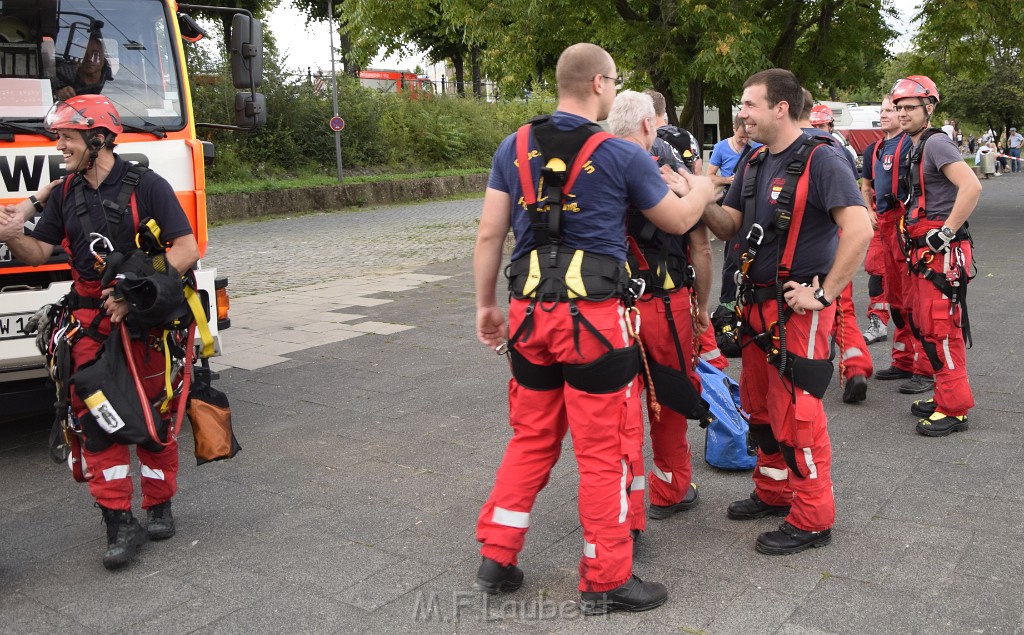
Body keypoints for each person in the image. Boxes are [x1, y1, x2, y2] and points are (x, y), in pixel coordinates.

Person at [471, 43, 717, 614]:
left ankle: (497, 556)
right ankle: (605, 578)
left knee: (531, 436)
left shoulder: (514, 145)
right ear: (602, 84)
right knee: (602, 450)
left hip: (529, 316)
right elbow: (680, 220)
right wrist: (702, 187)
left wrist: (486, 306)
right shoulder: (619, 152)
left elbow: (489, 235)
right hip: (596, 324)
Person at [1, 95, 199, 569]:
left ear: (98, 138)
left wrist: (135, 290)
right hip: (88, 326)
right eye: (59, 138)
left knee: (156, 415)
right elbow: (38, 252)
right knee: (97, 420)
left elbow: (186, 248)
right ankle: (118, 520)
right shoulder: (66, 193)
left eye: (67, 137)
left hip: (144, 325)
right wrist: (12, 234)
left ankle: (158, 504)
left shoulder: (147, 186)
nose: (59, 146)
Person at [689, 68, 871, 553]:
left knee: (799, 414)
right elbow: (729, 226)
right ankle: (773, 491)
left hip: (797, 313)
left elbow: (860, 229)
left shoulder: (822, 160)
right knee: (760, 408)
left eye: (749, 105)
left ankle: (813, 518)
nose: (741, 114)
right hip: (755, 307)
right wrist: (703, 199)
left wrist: (825, 294)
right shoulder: (751, 162)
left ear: (781, 108)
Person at [608, 90, 711, 532]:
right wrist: (703, 306)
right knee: (668, 394)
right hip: (661, 302)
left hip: (608, 306)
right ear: (650, 125)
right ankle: (670, 488)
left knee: (622, 405)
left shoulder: (591, 168)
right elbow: (697, 239)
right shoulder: (662, 171)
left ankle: (623, 510)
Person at [890, 75, 982, 436]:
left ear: (929, 107)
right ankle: (946, 393)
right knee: (926, 325)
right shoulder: (915, 145)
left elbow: (971, 186)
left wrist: (945, 233)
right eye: (899, 108)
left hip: (940, 253)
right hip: (924, 252)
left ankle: (955, 407)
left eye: (910, 107)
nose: (902, 113)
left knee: (941, 327)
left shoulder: (936, 144)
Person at [859, 95, 933, 393]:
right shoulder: (874, 149)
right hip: (884, 224)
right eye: (890, 110)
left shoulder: (916, 144)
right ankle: (903, 359)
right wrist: (868, 211)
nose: (893, 115)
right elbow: (866, 184)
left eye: (898, 109)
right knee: (895, 295)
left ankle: (925, 367)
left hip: (905, 224)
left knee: (917, 297)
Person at [803, 96, 873, 403]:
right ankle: (855, 365)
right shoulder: (840, 149)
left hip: (813, 239)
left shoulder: (799, 148)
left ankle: (810, 370)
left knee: (814, 308)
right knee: (842, 305)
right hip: (841, 233)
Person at [54, 36, 113, 101]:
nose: (89, 58)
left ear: (103, 59)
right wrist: (58, 93)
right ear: (75, 58)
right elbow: (44, 92)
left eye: (95, 54)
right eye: (83, 53)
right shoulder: (61, 76)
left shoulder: (113, 83)